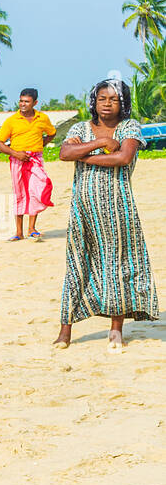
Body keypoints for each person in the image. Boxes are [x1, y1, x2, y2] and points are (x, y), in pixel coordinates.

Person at [55, 79, 157, 353]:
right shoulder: (79, 128)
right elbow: (64, 152)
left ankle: (115, 331)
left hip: (118, 209)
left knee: (117, 265)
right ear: (94, 101)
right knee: (77, 263)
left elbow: (122, 158)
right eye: (102, 98)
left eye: (114, 99)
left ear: (122, 103)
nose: (107, 103)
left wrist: (84, 154)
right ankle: (65, 331)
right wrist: (100, 142)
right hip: (83, 209)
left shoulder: (129, 127)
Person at [0, 87, 57, 240]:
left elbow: (52, 133)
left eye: (27, 102)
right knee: (20, 194)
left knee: (37, 190)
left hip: (36, 160)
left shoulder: (43, 118)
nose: (23, 104)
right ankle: (19, 233)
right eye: (21, 101)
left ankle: (32, 228)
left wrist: (41, 144)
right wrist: (16, 153)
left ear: (35, 103)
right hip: (17, 161)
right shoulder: (11, 121)